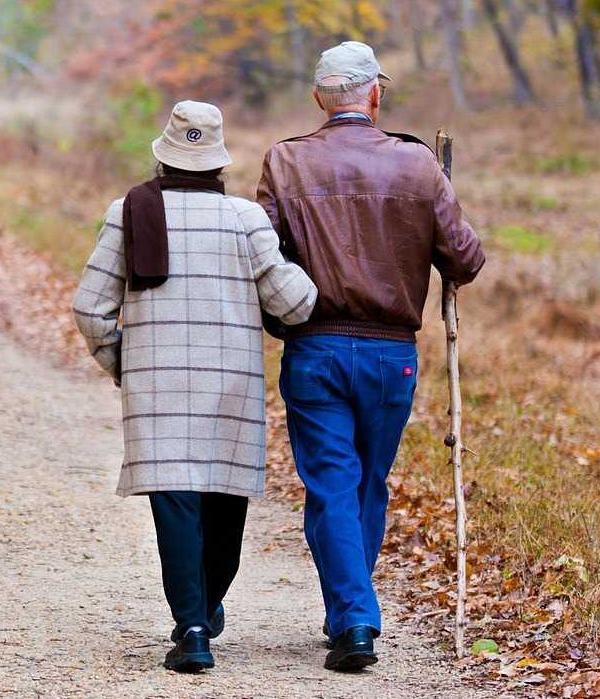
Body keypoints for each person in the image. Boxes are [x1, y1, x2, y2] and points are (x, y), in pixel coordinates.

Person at [254, 41, 487, 672]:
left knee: (332, 483)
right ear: (375, 95)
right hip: (391, 356)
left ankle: (351, 616)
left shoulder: (286, 161)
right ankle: (353, 615)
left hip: (315, 346)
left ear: (318, 98)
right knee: (365, 483)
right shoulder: (416, 165)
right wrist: (437, 197)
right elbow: (465, 259)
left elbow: (260, 255)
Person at [72, 100, 318, 674]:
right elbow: (295, 304)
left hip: (156, 389)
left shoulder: (127, 213)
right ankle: (204, 610)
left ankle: (193, 627)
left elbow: (90, 308)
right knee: (223, 504)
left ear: (163, 159)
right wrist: (302, 265)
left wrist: (124, 364)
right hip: (229, 385)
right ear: (219, 165)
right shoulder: (245, 219)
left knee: (175, 503)